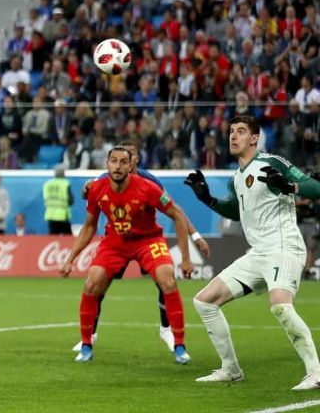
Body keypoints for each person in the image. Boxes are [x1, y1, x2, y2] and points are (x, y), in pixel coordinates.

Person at [185, 115, 320, 389]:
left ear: (255, 138)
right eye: (231, 131)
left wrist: (288, 186)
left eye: (241, 131)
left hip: (283, 247)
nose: (233, 136)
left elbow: (315, 187)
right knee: (204, 300)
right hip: (258, 253)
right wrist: (206, 198)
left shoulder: (271, 162)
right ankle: (231, 369)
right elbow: (235, 211)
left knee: (280, 306)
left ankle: (316, 373)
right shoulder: (237, 178)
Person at [73, 138, 211, 353]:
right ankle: (89, 336)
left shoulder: (150, 183)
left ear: (134, 160)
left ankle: (167, 330)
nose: (119, 164)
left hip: (146, 239)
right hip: (116, 240)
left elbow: (176, 211)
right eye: (115, 159)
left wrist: (195, 236)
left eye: (129, 155)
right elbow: (90, 198)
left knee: (164, 280)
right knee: (98, 284)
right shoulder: (104, 179)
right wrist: (85, 191)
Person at [43, 165, 73, 234]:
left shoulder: (47, 184)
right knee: (68, 239)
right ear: (63, 174)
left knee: (53, 237)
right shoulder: (65, 184)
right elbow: (70, 200)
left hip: (50, 214)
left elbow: (45, 198)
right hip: (63, 215)